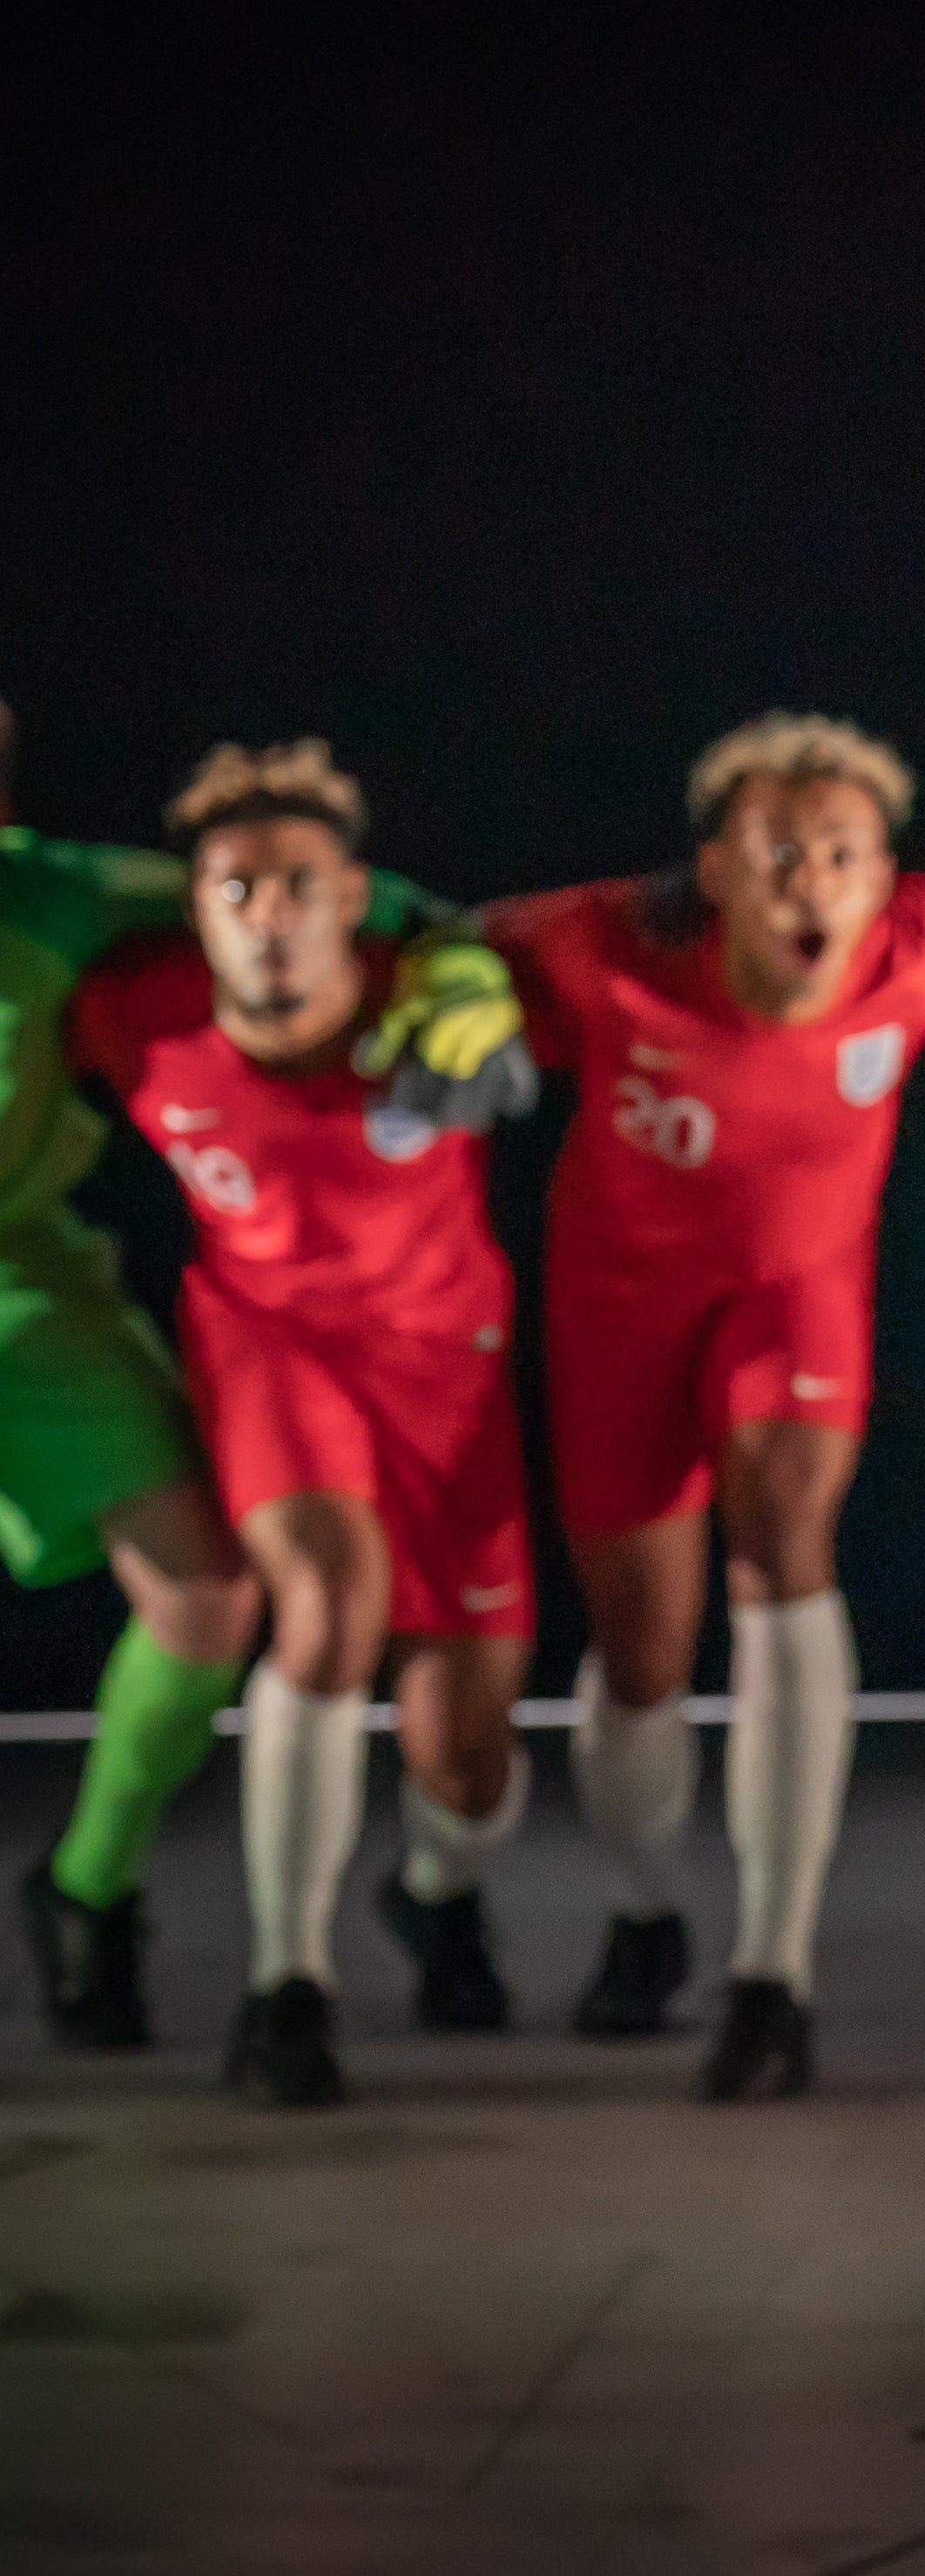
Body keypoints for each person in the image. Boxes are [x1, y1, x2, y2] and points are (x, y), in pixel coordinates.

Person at [490, 714, 925, 2100]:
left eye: (843, 854)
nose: (812, 884)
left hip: (793, 1307)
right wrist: (440, 1013)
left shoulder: (924, 940)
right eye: (780, 854)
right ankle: (648, 1908)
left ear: (883, 874)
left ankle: (773, 1973)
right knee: (642, 1653)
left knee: (784, 1546)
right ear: (714, 868)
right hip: (618, 1328)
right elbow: (429, 951)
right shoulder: (601, 945)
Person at [8, 704, 524, 2051]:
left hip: (425, 1369)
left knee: (447, 1738)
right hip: (272, 1348)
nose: (270, 913)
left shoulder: (412, 994)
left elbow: (535, 959)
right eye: (241, 890)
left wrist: (470, 965)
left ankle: (415, 1897)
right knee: (322, 1597)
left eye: (302, 888)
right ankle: (287, 1982)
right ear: (202, 910)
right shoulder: (140, 1001)